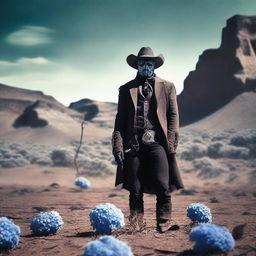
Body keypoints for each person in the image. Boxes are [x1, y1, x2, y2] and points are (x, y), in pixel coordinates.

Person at [112, 46, 184, 233]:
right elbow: (120, 119)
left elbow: (173, 115)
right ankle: (136, 225)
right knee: (134, 188)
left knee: (163, 183)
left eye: (148, 63)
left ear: (154, 66)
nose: (145, 66)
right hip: (133, 144)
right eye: (142, 63)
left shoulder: (167, 87)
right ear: (137, 66)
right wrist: (118, 146)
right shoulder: (126, 89)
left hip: (157, 142)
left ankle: (164, 222)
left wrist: (171, 143)